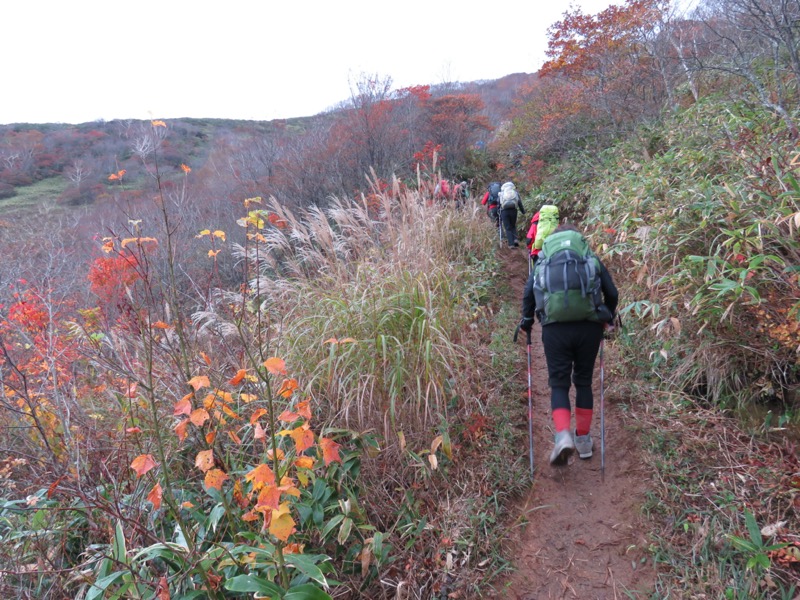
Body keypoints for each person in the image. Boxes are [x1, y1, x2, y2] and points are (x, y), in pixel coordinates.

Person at [519, 223, 619, 466]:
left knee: (559, 384)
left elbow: (528, 293)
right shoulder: (588, 258)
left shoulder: (544, 260)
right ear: (577, 238)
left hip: (554, 330)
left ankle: (563, 436)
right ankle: (584, 440)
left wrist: (526, 320)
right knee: (583, 381)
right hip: (589, 327)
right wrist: (608, 315)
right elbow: (612, 292)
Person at [499, 181, 525, 248]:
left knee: (507, 228)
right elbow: (519, 203)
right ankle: (515, 240)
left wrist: (498, 213)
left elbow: (498, 203)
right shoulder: (515, 193)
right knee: (513, 226)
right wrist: (523, 211)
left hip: (504, 211)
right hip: (514, 211)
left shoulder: (501, 194)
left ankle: (511, 244)